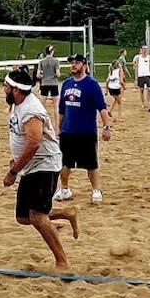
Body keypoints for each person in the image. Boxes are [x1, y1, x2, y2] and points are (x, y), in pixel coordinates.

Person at [2, 69, 78, 269]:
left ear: (17, 90)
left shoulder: (31, 110)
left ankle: (62, 262)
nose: (4, 89)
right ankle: (66, 213)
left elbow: (34, 143)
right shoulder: (18, 103)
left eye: (7, 87)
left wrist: (13, 171)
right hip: (31, 166)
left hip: (44, 165)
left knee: (36, 216)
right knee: (23, 217)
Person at [54, 54, 112, 204]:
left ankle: (96, 190)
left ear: (84, 65)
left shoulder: (91, 84)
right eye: (72, 63)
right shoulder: (66, 84)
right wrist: (58, 128)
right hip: (68, 131)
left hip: (86, 131)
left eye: (77, 63)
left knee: (91, 163)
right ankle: (64, 189)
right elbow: (61, 110)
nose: (73, 65)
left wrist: (106, 127)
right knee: (65, 162)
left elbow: (102, 108)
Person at [36, 45, 62, 125]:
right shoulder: (55, 61)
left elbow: (38, 75)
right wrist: (52, 74)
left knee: (42, 106)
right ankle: (57, 127)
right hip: (53, 84)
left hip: (44, 84)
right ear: (52, 51)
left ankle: (41, 124)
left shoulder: (41, 61)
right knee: (56, 107)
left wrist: (45, 75)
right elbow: (58, 74)